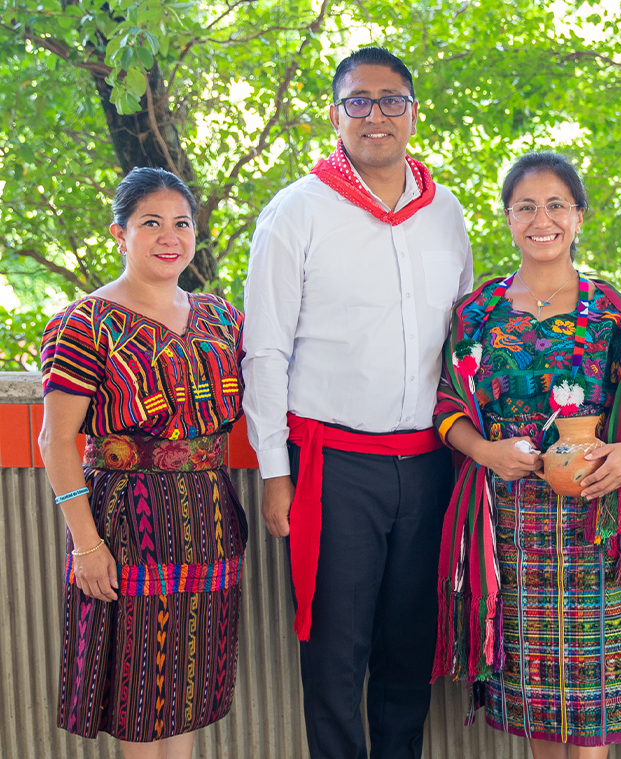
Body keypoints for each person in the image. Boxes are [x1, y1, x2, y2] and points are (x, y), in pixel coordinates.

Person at [241, 47, 471, 759]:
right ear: (335, 113)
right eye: (359, 101)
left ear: (412, 110)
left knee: (411, 641)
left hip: (430, 463)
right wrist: (275, 474)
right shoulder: (296, 211)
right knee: (336, 646)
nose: (377, 115)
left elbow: (465, 338)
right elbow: (267, 351)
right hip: (334, 466)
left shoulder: (447, 212)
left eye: (391, 99)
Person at [431, 152, 621, 758]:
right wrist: (485, 450)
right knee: (538, 711)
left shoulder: (616, 312)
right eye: (526, 206)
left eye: (557, 204)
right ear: (507, 218)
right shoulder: (476, 312)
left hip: (594, 518)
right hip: (507, 522)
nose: (543, 219)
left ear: (579, 216)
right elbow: (445, 405)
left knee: (590, 704)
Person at [38, 167, 247, 759]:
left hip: (208, 516)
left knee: (186, 682)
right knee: (138, 690)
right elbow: (55, 440)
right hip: (128, 522)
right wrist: (85, 543)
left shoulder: (219, 318)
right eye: (150, 222)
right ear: (119, 234)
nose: (169, 236)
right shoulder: (83, 323)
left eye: (182, 223)